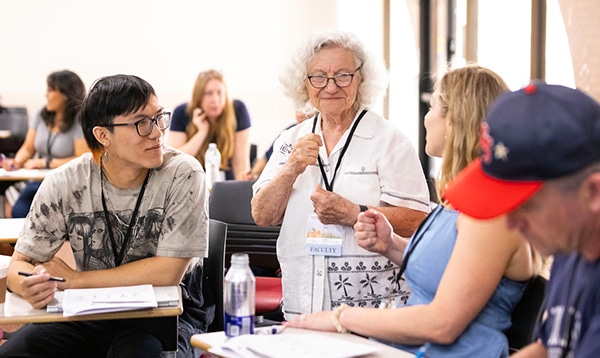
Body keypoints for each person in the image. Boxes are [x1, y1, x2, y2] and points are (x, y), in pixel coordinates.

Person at [286, 65, 542, 357]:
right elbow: (453, 267)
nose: (426, 117)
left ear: (453, 122)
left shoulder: (489, 215)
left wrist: (339, 318)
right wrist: (391, 244)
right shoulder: (461, 200)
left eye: (432, 106)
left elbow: (442, 324)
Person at [0, 74, 211, 357]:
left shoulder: (184, 174)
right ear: (103, 135)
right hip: (92, 310)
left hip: (166, 316)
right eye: (141, 123)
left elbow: (168, 272)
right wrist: (26, 284)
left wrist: (75, 280)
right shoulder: (66, 182)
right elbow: (18, 265)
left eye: (159, 118)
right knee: (15, 352)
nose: (157, 132)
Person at [251, 30, 431, 320]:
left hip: (372, 311)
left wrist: (353, 213)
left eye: (343, 75)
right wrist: (291, 169)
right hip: (302, 306)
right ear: (305, 83)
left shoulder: (389, 140)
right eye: (319, 77)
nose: (330, 86)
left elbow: (418, 221)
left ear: (361, 79)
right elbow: (262, 215)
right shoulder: (290, 140)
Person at [443, 83, 600, 358]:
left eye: (526, 205)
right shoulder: (571, 244)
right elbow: (548, 347)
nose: (511, 223)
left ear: (593, 193)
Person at [2, 70, 89, 218]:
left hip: (67, 182)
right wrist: (16, 162)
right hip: (38, 180)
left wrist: (45, 163)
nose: (46, 95)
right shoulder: (41, 115)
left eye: (50, 90)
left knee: (38, 213)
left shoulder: (79, 120)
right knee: (16, 204)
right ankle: (17, 241)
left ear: (65, 95)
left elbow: (82, 158)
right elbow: (28, 148)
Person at [166, 69, 253, 180]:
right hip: (192, 183)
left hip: (227, 184)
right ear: (198, 97)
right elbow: (175, 162)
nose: (215, 99)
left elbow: (241, 166)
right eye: (209, 93)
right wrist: (202, 132)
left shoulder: (238, 110)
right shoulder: (182, 112)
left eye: (220, 92)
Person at [249, 110, 314, 179]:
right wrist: (253, 173)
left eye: (307, 110)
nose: (301, 115)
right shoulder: (289, 132)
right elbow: (266, 157)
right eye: (298, 110)